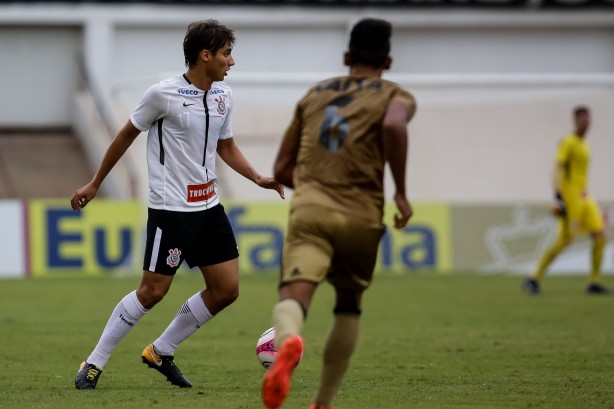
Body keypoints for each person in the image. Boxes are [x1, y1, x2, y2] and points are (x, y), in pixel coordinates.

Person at [71, 19, 284, 390]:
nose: (231, 62)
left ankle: (161, 350)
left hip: (210, 207)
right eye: (226, 54)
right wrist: (95, 182)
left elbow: (226, 146)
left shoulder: (222, 96)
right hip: (171, 211)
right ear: (206, 56)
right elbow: (125, 136)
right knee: (152, 291)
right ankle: (94, 361)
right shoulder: (162, 94)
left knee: (226, 290)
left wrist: (258, 179)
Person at [261, 18, 416, 409]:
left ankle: (289, 342)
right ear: (389, 60)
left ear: (346, 56)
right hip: (363, 214)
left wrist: (317, 186)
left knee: (294, 296)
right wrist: (400, 192)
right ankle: (322, 402)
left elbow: (281, 170)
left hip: (311, 210)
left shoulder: (313, 96)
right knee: (349, 304)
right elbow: (395, 126)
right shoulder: (395, 95)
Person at [523, 106, 608, 295]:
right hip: (570, 199)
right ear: (575, 121)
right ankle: (532, 278)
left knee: (600, 234)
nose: (587, 122)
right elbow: (557, 168)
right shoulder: (568, 142)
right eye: (583, 119)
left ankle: (594, 282)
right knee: (564, 240)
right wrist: (557, 196)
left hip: (586, 197)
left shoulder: (585, 145)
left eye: (588, 118)